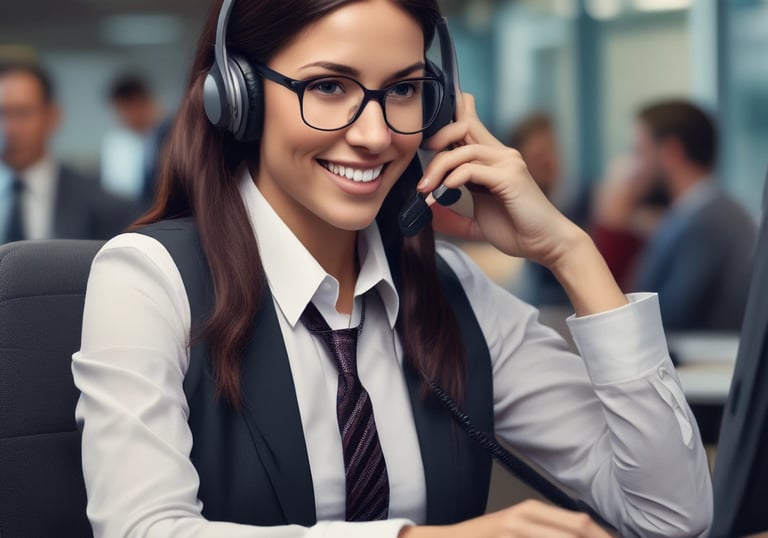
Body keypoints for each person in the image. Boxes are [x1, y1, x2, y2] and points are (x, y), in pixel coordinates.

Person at [72, 1, 712, 537]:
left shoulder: (454, 294)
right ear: (237, 97)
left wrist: (570, 250)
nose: (376, 135)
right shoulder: (148, 281)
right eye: (329, 86)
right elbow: (143, 529)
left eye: (403, 90)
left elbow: (670, 517)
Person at [596, 100, 756, 331]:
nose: (633, 167)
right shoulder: (699, 213)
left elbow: (662, 319)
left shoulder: (708, 224)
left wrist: (613, 224)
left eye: (639, 152)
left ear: (672, 152)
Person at [0, 59, 138, 243]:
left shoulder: (106, 207)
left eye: (22, 113)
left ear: (52, 116)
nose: (9, 128)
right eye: (1, 114)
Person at [508, 113, 591, 307]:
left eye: (552, 150)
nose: (549, 162)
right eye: (539, 157)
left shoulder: (580, 201)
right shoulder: (516, 209)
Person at [107, 73, 172, 210]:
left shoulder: (172, 135)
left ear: (135, 102)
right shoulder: (152, 138)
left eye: (120, 112)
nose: (120, 122)